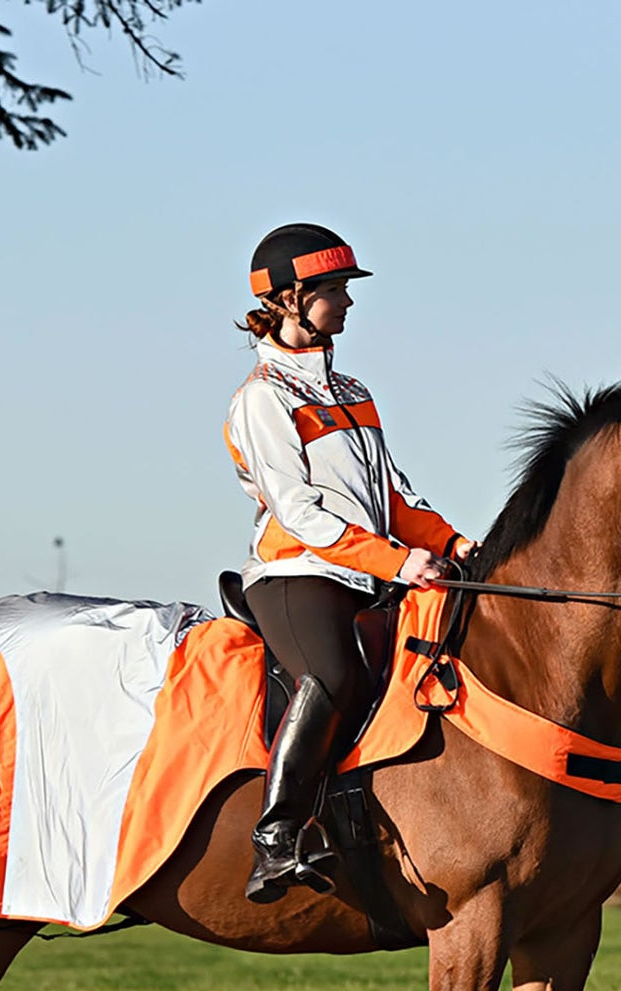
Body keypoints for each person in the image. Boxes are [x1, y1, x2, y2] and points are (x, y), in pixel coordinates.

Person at [224, 223, 473, 904]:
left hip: (369, 571)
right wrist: (398, 561)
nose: (346, 303)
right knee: (332, 672)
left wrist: (452, 543)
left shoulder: (353, 389)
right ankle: (274, 838)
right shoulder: (262, 398)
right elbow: (300, 511)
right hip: (296, 573)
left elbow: (391, 495)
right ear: (287, 299)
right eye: (333, 289)